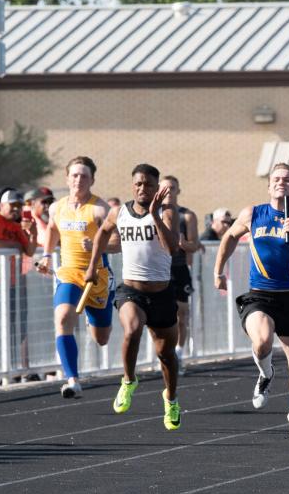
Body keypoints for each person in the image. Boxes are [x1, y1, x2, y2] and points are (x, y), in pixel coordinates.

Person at [214, 164, 289, 441]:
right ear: (269, 186)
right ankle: (266, 373)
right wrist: (218, 270)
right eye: (276, 179)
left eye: (288, 180)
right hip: (258, 294)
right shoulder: (253, 213)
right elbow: (229, 237)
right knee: (262, 341)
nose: (281, 182)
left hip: (288, 299)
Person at [85, 164, 181, 431]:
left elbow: (172, 247)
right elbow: (103, 232)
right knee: (132, 329)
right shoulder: (119, 212)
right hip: (131, 291)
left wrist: (154, 215)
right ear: (132, 185)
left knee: (166, 355)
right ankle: (128, 380)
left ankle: (171, 399)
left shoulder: (167, 211)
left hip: (161, 293)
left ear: (157, 187)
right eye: (138, 184)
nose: (142, 189)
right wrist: (93, 266)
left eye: (148, 185)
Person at [35, 157, 115, 398]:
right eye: (75, 175)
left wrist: (98, 245)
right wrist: (47, 255)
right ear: (67, 178)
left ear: (92, 180)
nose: (79, 180)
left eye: (84, 176)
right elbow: (51, 230)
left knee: (101, 338)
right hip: (69, 272)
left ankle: (94, 319)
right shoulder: (57, 207)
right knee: (62, 318)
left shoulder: (100, 209)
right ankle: (72, 379)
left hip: (97, 277)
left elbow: (118, 242)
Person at [158, 176, 200, 374]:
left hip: (179, 269)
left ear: (178, 191)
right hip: (158, 270)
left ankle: (179, 354)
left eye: (172, 188)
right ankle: (162, 355)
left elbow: (195, 244)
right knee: (158, 317)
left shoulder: (187, 216)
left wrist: (184, 244)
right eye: (164, 188)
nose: (168, 192)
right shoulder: (152, 214)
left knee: (181, 315)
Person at [0, 188, 38, 381]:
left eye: (19, 206)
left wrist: (32, 233)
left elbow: (29, 251)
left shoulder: (16, 227)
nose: (16, 210)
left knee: (16, 326)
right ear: (1, 205)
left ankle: (17, 370)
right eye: (12, 206)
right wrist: (14, 247)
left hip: (13, 284)